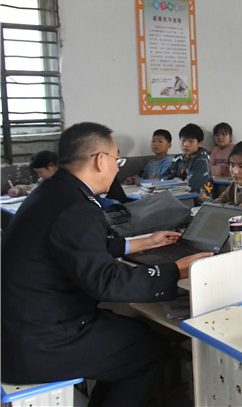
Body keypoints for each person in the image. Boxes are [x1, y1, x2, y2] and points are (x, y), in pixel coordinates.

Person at [1, 122, 210, 406]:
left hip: (22, 326)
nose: (116, 168)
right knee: (150, 351)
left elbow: (76, 246)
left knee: (134, 334)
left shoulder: (53, 193)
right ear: (101, 160)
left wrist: (140, 243)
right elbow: (107, 281)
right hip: (43, 341)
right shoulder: (77, 206)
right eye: (117, 160)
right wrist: (177, 270)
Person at [162, 123, 214, 204]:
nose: (186, 145)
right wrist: (174, 179)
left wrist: (178, 182)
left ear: (200, 143)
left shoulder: (202, 160)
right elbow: (163, 177)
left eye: (191, 141)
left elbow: (192, 185)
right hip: (178, 198)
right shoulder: (178, 159)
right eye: (183, 141)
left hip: (199, 202)